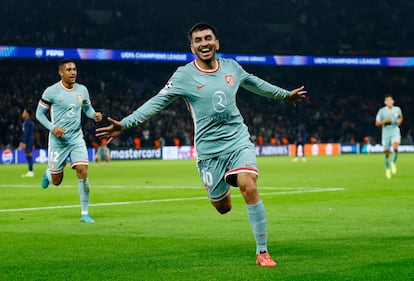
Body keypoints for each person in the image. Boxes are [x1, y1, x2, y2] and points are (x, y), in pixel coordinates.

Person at [96, 22, 306, 266]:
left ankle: (262, 252)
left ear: (217, 43)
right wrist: (126, 123)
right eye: (198, 40)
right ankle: (223, 185)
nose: (204, 43)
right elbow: (157, 101)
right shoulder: (184, 75)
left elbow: (255, 83)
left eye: (208, 38)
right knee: (223, 207)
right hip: (208, 152)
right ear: (192, 47)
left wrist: (285, 95)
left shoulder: (232, 67)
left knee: (249, 183)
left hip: (237, 140)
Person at [36, 58, 102, 223]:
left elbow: (87, 108)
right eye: (69, 70)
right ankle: (48, 173)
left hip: (75, 137)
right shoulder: (51, 91)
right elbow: (39, 114)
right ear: (61, 72)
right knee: (57, 181)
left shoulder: (82, 90)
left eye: (74, 69)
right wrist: (52, 128)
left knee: (82, 170)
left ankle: (85, 213)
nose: (73, 72)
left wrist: (94, 115)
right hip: (58, 141)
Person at [375, 95, 403, 179]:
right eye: (387, 101)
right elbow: (377, 123)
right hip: (386, 132)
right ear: (385, 102)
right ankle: (387, 168)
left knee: (395, 147)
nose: (389, 102)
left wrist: (399, 121)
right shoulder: (382, 111)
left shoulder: (397, 109)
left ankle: (393, 163)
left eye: (390, 100)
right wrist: (384, 121)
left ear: (393, 101)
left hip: (395, 130)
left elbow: (400, 118)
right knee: (386, 153)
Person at [19, 108, 35, 177]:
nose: (23, 114)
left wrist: (24, 142)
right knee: (28, 155)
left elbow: (26, 133)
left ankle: (31, 171)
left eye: (24, 112)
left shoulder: (28, 122)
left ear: (27, 114)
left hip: (28, 141)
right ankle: (30, 171)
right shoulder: (27, 121)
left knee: (29, 155)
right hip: (28, 140)